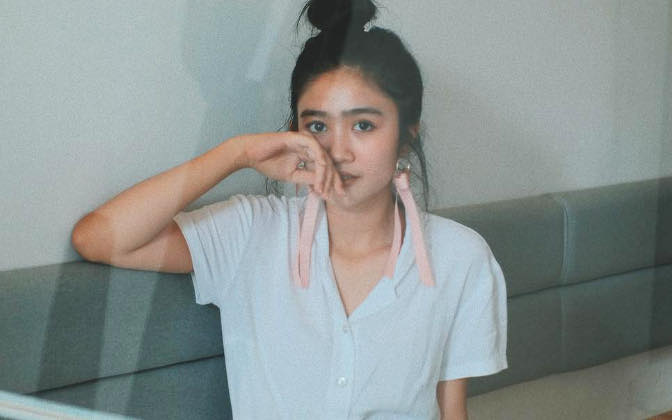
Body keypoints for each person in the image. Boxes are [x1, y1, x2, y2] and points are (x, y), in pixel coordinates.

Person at [71, 0, 508, 418]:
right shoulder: (251, 232)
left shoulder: (459, 257)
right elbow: (98, 238)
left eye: (363, 125)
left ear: (406, 135)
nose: (338, 150)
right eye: (317, 125)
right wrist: (237, 153)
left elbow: (452, 412)